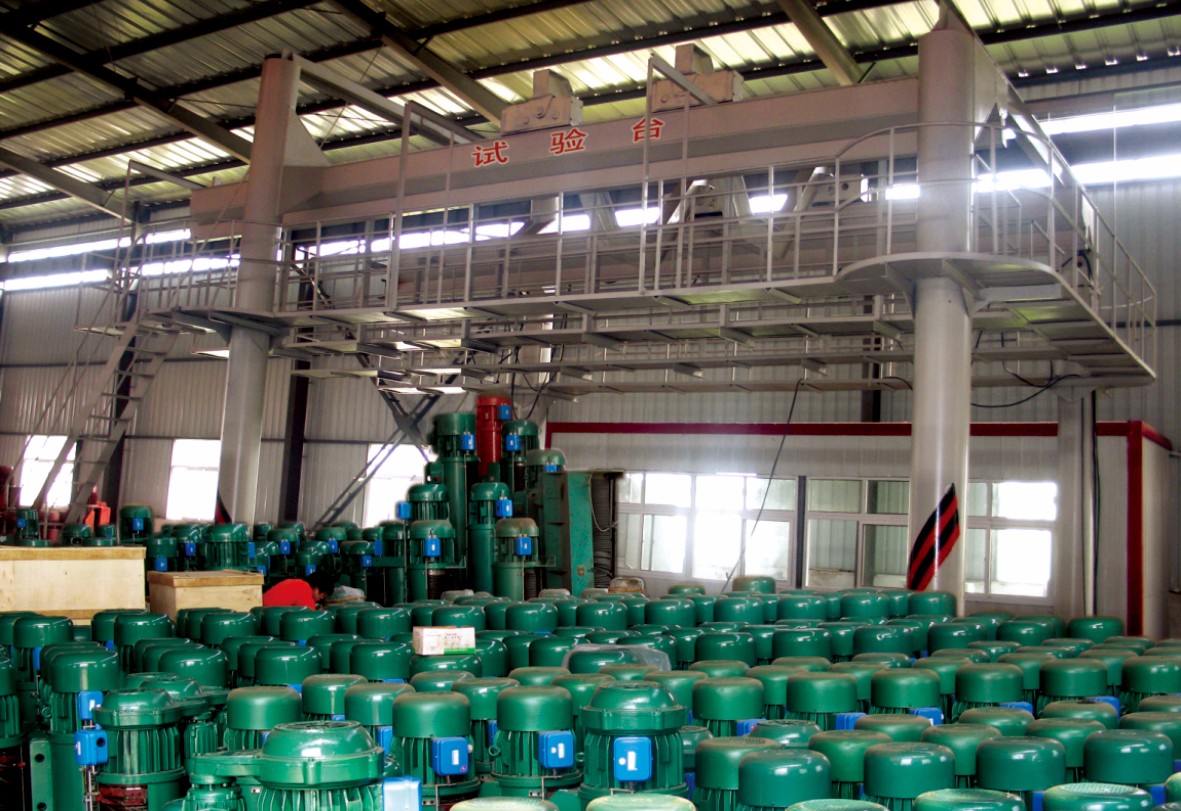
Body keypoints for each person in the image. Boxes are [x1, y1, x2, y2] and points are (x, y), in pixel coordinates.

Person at [262, 570, 335, 609]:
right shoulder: (305, 589)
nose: (322, 597)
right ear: (316, 586)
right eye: (323, 594)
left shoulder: (298, 582)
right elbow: (311, 617)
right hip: (269, 618)